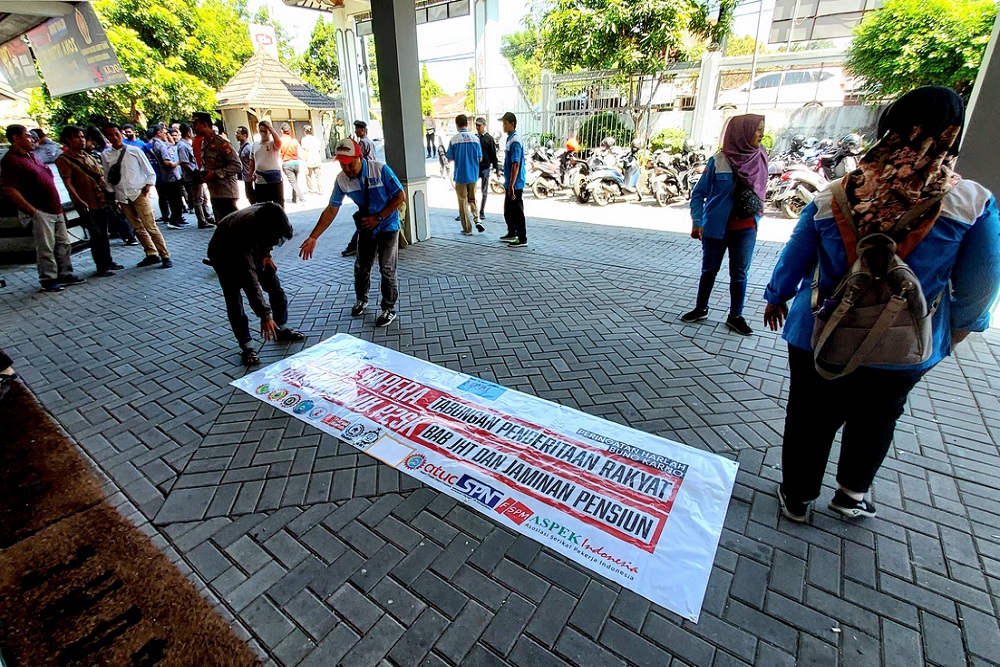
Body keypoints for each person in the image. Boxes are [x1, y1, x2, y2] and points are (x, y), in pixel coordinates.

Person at [763, 86, 1000, 523]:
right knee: (878, 417)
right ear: (950, 134)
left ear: (888, 127)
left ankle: (797, 497)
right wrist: (959, 330)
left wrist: (776, 295)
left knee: (809, 416)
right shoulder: (969, 202)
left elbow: (795, 256)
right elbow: (981, 282)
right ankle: (851, 494)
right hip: (901, 343)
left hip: (817, 332)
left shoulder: (834, 193)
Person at [300, 138, 405, 328]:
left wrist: (379, 217)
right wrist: (313, 236)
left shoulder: (380, 170)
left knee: (386, 268)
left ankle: (389, 308)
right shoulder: (342, 180)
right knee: (361, 267)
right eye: (342, 163)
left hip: (388, 225)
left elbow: (400, 196)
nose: (346, 168)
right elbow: (332, 209)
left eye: (349, 163)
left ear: (359, 157)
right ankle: (361, 299)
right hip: (366, 226)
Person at [681, 114, 767, 336]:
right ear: (742, 133)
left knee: (739, 274)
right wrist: (697, 222)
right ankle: (701, 308)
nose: (761, 134)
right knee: (709, 270)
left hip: (746, 228)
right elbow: (698, 194)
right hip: (715, 229)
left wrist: (757, 218)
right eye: (757, 129)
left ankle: (735, 316)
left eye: (761, 129)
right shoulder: (719, 161)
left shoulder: (761, 157)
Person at [207, 202, 305, 366]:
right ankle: (247, 347)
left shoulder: (274, 214)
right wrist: (264, 315)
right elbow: (250, 281)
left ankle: (282, 328)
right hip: (224, 253)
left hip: (254, 246)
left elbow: (271, 236)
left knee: (274, 286)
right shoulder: (242, 231)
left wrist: (266, 254)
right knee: (234, 299)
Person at [1, 124, 84, 291]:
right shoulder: (11, 160)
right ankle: (48, 278)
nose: (32, 139)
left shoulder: (32, 156)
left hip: (55, 208)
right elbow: (10, 189)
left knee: (63, 243)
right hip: (40, 210)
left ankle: (65, 273)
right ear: (16, 138)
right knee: (46, 247)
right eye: (27, 135)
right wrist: (32, 211)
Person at [101, 123, 173, 269]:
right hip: (122, 196)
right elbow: (108, 177)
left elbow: (149, 171)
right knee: (137, 227)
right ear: (106, 137)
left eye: (116, 133)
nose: (114, 137)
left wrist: (147, 186)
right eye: (110, 135)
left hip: (139, 193)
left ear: (121, 133)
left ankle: (165, 255)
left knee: (150, 226)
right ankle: (151, 253)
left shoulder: (134, 150)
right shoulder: (106, 155)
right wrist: (113, 195)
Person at [55, 126, 124, 277]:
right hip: (86, 203)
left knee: (104, 234)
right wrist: (78, 200)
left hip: (100, 200)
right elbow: (68, 183)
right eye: (77, 137)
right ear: (68, 139)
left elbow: (100, 177)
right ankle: (101, 265)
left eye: (82, 137)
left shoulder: (88, 156)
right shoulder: (64, 159)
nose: (81, 140)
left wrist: (112, 197)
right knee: (96, 234)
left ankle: (108, 261)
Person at [87, 125, 138, 246]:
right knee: (119, 212)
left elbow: (102, 173)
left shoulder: (97, 153)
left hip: (108, 187)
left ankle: (130, 235)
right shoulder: (105, 150)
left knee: (117, 212)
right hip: (114, 186)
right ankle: (129, 234)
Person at [192, 111, 242, 222]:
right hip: (215, 192)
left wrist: (215, 173)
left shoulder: (222, 143)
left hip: (226, 193)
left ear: (205, 124)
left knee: (232, 226)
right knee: (222, 227)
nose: (194, 128)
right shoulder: (204, 143)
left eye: (196, 124)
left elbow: (237, 165)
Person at [340, 120, 377, 257]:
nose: (356, 132)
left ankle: (353, 246)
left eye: (357, 129)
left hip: (365, 183)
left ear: (362, 130)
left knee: (364, 220)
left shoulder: (362, 144)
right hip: (370, 183)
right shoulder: (371, 142)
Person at [446, 114, 483, 235]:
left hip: (461, 176)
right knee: (472, 199)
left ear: (457, 125)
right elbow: (480, 158)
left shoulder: (454, 140)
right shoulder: (475, 139)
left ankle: (467, 229)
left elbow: (449, 158)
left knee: (462, 202)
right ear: (467, 124)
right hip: (473, 175)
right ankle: (477, 219)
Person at [149, 123, 188, 229]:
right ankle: (174, 220)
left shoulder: (160, 142)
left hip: (172, 175)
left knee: (177, 198)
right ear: (159, 132)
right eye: (164, 132)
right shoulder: (160, 145)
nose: (167, 134)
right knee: (175, 199)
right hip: (170, 175)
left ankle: (178, 218)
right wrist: (178, 163)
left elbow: (171, 143)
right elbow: (167, 162)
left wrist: (166, 134)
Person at [499, 112, 527, 248]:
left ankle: (522, 238)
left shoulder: (515, 140)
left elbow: (516, 164)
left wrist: (511, 185)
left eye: (505, 123)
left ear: (512, 124)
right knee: (508, 211)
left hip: (515, 183)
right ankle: (512, 232)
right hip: (510, 182)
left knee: (517, 211)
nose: (503, 126)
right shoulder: (510, 138)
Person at [177, 123, 214, 228]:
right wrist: (195, 173)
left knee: (203, 197)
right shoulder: (182, 146)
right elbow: (184, 163)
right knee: (198, 199)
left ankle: (207, 216)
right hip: (192, 176)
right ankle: (201, 221)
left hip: (197, 175)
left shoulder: (189, 143)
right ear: (189, 132)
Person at [250, 120, 284, 207]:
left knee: (278, 203)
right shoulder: (255, 145)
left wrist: (270, 128)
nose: (264, 133)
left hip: (274, 177)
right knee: (263, 204)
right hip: (260, 178)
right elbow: (252, 160)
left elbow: (279, 142)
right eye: (261, 131)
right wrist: (251, 173)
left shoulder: (273, 143)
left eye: (266, 131)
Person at [475, 117, 499, 221]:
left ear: (484, 125)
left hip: (485, 168)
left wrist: (496, 168)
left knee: (484, 191)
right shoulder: (474, 138)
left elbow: (493, 154)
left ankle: (482, 211)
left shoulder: (489, 139)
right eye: (476, 125)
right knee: (471, 190)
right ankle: (469, 211)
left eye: (479, 125)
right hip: (475, 168)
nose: (477, 127)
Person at [279, 123, 304, 204]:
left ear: (282, 130)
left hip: (287, 163)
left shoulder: (280, 141)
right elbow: (300, 153)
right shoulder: (294, 141)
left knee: (293, 183)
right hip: (296, 163)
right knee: (295, 182)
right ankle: (294, 198)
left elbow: (279, 153)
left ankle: (301, 198)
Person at [301, 125, 323, 195]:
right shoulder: (316, 139)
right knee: (318, 176)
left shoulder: (304, 140)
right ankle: (321, 190)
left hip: (309, 160)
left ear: (305, 131)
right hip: (317, 159)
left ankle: (311, 190)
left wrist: (304, 161)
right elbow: (319, 149)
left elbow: (305, 151)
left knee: (308, 176)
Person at [236, 125, 255, 204]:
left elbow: (253, 161)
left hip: (249, 177)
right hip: (245, 176)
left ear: (245, 135)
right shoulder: (241, 147)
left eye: (238, 133)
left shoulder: (248, 148)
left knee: (252, 196)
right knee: (249, 195)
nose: (236, 135)